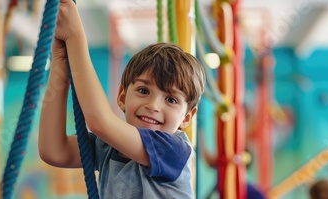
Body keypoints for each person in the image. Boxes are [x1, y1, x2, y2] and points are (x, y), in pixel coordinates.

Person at [38, 0, 205, 198]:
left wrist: (75, 38)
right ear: (122, 97)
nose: (153, 105)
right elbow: (54, 151)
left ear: (186, 118)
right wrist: (60, 61)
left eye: (171, 100)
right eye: (143, 91)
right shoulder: (109, 147)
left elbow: (100, 122)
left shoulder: (173, 150)